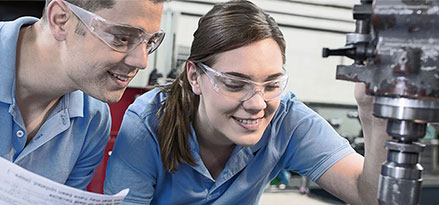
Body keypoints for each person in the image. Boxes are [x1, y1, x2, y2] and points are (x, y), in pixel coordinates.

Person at [104, 0, 390, 204]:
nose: (257, 103)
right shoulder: (147, 123)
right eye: (235, 84)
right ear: (195, 76)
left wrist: (372, 114)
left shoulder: (287, 121)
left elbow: (369, 195)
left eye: (271, 84)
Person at [0, 0, 165, 190]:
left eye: (150, 42)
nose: (142, 61)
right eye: (122, 38)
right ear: (61, 20)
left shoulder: (93, 119)